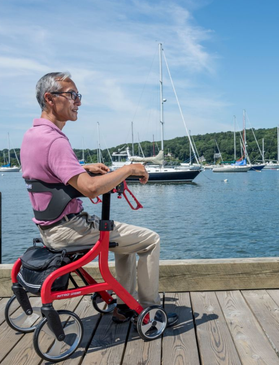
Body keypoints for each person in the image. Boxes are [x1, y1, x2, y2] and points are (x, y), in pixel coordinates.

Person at [20, 72, 178, 327]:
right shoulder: (55, 140)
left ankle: (125, 306)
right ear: (50, 99)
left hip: (49, 228)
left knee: (125, 242)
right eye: (72, 95)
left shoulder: (32, 136)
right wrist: (127, 169)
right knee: (150, 240)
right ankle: (147, 309)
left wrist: (81, 167)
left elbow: (48, 175)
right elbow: (92, 189)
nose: (78, 101)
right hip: (70, 228)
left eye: (78, 96)